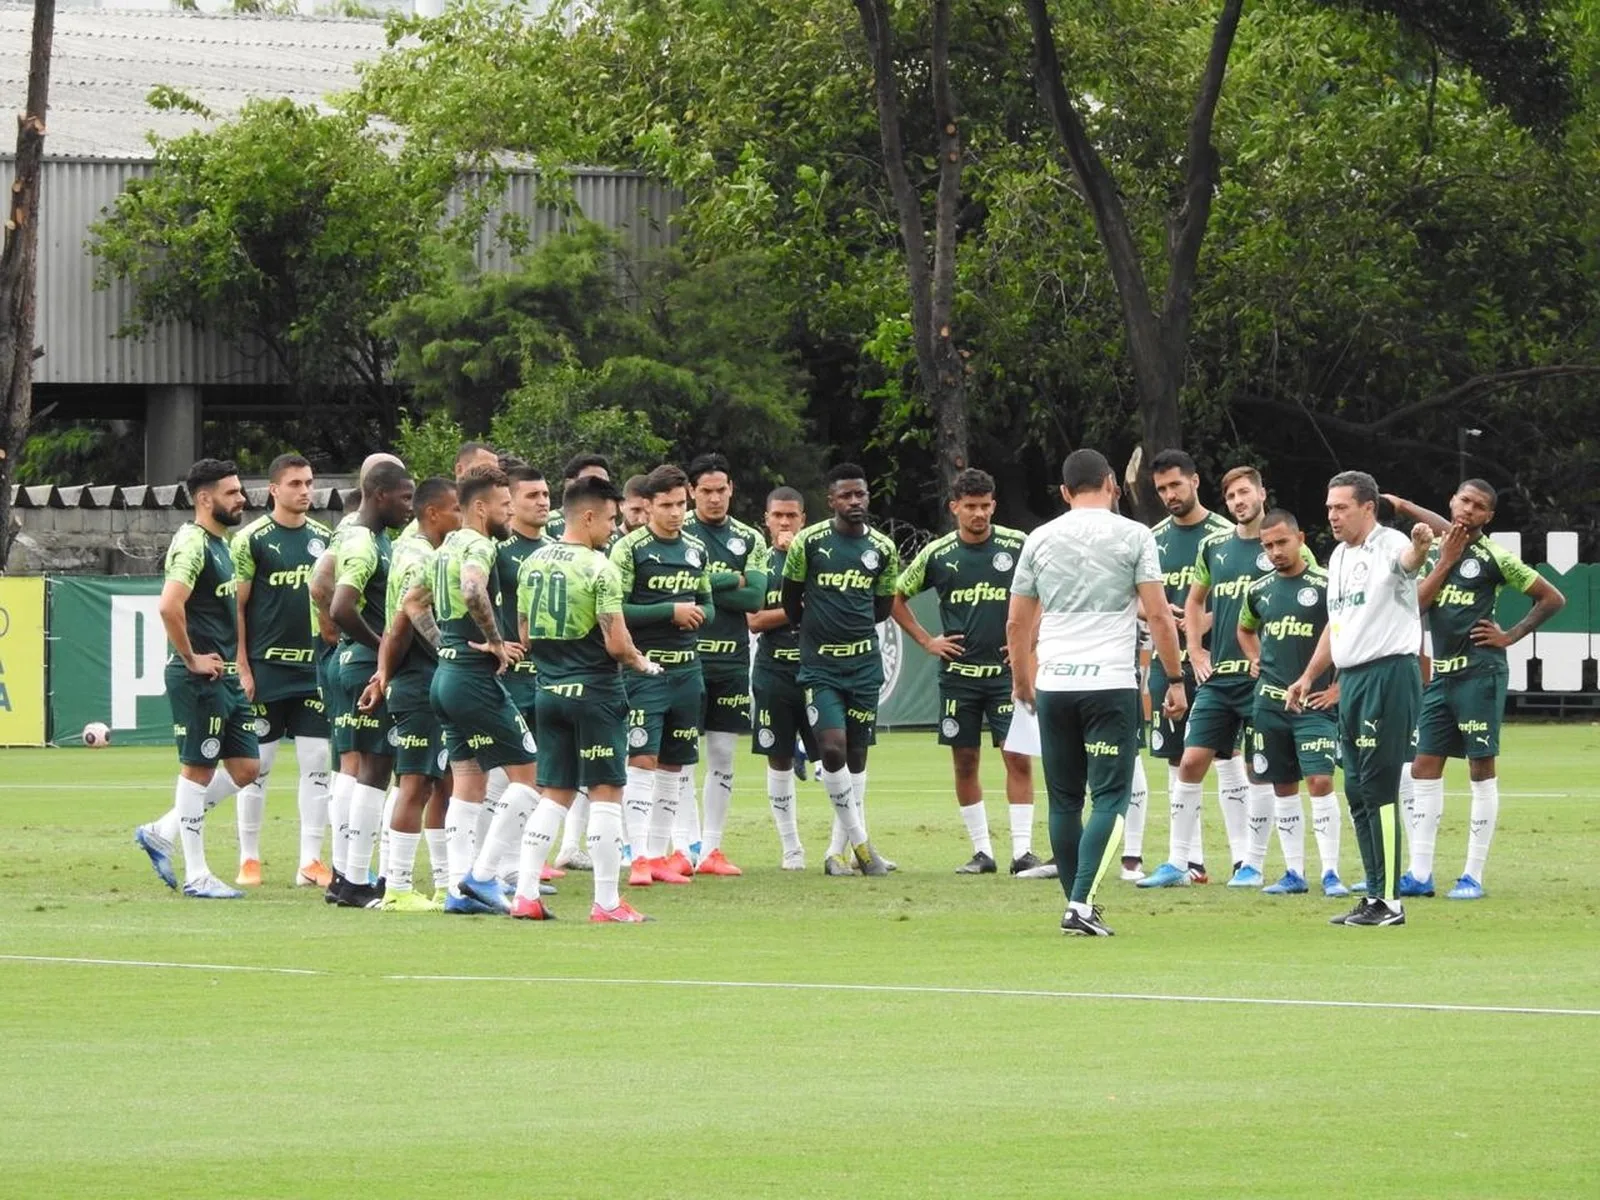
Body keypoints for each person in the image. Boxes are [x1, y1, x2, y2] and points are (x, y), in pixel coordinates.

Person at [1006, 449, 1185, 936]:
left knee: (1064, 800)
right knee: (1111, 797)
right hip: (1108, 683)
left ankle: (1076, 902)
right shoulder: (1134, 535)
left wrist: (1023, 679)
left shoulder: (1040, 538)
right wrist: (1174, 678)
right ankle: (1081, 904)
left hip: (1055, 684)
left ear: (1064, 492)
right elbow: (1160, 615)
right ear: (1112, 483)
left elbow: (1018, 621)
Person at [1391, 481, 1565, 900]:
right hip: (1440, 677)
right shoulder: (1436, 549)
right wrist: (1409, 510)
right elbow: (1416, 605)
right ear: (1452, 501)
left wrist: (1512, 634)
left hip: (1479, 674)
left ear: (1488, 517)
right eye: (1463, 501)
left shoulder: (1495, 558)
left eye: (1479, 507)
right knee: (1423, 769)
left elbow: (1552, 597)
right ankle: (1420, 873)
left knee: (1479, 771)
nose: (1468, 510)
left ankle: (1472, 875)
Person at [1285, 470, 1433, 927]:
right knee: (1355, 787)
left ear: (1367, 508)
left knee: (1380, 787)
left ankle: (1391, 902)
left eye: (1341, 507)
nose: (1332, 515)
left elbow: (1409, 562)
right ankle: (1373, 894)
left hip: (1389, 675)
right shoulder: (1338, 556)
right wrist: (1309, 674)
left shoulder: (1388, 543)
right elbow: (1338, 622)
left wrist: (1422, 547)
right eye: (1329, 507)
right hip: (1351, 679)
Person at [1140, 465, 1292, 890]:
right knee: (1190, 761)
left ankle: (1250, 863)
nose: (1239, 502)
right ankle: (1177, 862)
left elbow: (1304, 602)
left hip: (1264, 677)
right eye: (1232, 497)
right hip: (1218, 677)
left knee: (1258, 768)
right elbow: (1192, 601)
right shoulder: (1213, 546)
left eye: (1245, 493)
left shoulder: (1283, 544)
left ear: (1262, 493)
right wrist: (1196, 649)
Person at [519, 475, 663, 922]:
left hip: (548, 690)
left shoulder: (533, 562)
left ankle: (525, 895)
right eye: (610, 519)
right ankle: (605, 902)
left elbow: (523, 633)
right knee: (606, 793)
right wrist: (642, 663)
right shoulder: (601, 568)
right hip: (595, 692)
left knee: (554, 792)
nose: (614, 529)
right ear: (587, 516)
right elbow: (617, 644)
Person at [401, 466, 542, 916]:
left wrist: (447, 644)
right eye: (505, 505)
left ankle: (459, 891)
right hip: (474, 681)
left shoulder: (442, 549)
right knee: (529, 777)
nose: (509, 512)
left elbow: (412, 603)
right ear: (481, 508)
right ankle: (483, 874)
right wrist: (496, 641)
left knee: (467, 783)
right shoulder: (479, 545)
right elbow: (471, 588)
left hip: (446, 676)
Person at [893, 468, 1040, 875]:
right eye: (970, 506)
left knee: (1019, 759)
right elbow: (895, 596)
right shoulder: (937, 553)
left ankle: (1023, 852)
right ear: (954, 507)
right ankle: (982, 852)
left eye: (986, 506)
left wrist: (1028, 644)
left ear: (994, 504)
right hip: (959, 676)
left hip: (1008, 678)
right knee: (965, 761)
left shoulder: (1018, 545)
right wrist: (927, 641)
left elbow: (1043, 594)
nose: (979, 514)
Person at [133, 459, 261, 899]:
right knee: (198, 771)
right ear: (205, 499)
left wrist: (236, 665)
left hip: (224, 676)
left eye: (240, 490)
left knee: (248, 768)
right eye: (232, 492)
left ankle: (161, 830)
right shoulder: (192, 543)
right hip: (200, 678)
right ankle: (197, 874)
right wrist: (190, 659)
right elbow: (170, 606)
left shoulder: (223, 544)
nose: (242, 498)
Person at [781, 463, 898, 877]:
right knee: (831, 748)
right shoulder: (809, 543)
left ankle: (836, 853)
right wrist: (808, 633)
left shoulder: (883, 548)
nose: (855, 502)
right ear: (831, 501)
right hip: (821, 667)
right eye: (846, 496)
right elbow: (791, 599)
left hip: (864, 666)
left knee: (857, 755)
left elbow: (883, 607)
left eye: (860, 495)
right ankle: (864, 847)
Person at [230, 453, 334, 888]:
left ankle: (310, 860)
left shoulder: (325, 538)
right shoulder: (251, 539)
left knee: (317, 764)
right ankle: (249, 858)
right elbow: (236, 606)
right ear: (274, 489)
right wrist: (243, 666)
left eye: (309, 483)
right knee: (259, 766)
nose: (305, 491)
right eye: (295, 484)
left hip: (312, 670)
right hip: (266, 669)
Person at [610, 464, 715, 886]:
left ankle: (658, 854)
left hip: (688, 670)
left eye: (680, 505)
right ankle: (635, 856)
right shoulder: (630, 549)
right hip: (644, 668)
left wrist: (698, 615)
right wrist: (667, 611)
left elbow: (708, 604)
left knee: (675, 764)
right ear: (648, 505)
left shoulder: (695, 550)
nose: (675, 513)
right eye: (666, 505)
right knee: (642, 759)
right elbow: (614, 610)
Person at [360, 477, 461, 912]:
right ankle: (397, 885)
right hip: (418, 682)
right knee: (416, 784)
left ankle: (445, 883)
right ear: (433, 513)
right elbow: (403, 621)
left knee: (445, 783)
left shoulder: (416, 549)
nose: (461, 517)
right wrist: (444, 649)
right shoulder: (420, 556)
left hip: (426, 680)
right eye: (456, 509)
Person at [1236, 510, 1349, 897]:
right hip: (1268, 704)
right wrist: (1254, 657)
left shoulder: (1326, 585)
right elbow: (1245, 628)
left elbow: (1347, 633)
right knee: (1282, 785)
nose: (1275, 552)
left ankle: (1332, 871)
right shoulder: (1259, 589)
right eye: (1267, 546)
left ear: (1300, 537)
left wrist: (1339, 687)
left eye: (1281, 542)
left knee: (1319, 781)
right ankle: (1293, 872)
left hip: (1315, 704)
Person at [325, 460, 415, 908]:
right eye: (404, 498)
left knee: (366, 768)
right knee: (374, 770)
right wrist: (383, 648)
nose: (409, 507)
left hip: (355, 661)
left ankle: (344, 875)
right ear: (379, 495)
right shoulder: (364, 543)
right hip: (364, 664)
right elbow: (340, 606)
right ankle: (355, 879)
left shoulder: (369, 537)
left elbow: (322, 583)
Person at [1142, 449, 1234, 882]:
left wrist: (1202, 618)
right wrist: (1159, 614)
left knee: (1229, 755)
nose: (1169, 495)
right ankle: (1190, 861)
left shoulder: (1225, 533)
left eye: (1176, 485)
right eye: (1161, 488)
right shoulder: (1151, 538)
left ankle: (1243, 860)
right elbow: (1134, 598)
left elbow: (1250, 595)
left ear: (1195, 481)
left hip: (1220, 661)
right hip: (1169, 660)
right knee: (1175, 759)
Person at [683, 452, 771, 876]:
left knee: (721, 754)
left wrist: (704, 589)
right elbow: (677, 591)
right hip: (683, 659)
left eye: (721, 490)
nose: (715, 499)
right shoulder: (677, 531)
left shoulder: (750, 538)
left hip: (732, 660)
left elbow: (755, 599)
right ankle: (683, 846)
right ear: (691, 492)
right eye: (706, 491)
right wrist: (727, 580)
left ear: (731, 490)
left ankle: (712, 849)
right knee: (679, 755)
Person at [481, 465, 560, 882]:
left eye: (546, 494)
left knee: (537, 776)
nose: (543, 501)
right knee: (502, 777)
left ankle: (513, 865)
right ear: (510, 502)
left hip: (546, 676)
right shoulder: (497, 552)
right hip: (507, 676)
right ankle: (489, 866)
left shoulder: (555, 551)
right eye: (532, 495)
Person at [749, 486, 816, 869]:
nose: (785, 522)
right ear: (767, 519)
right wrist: (799, 607)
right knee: (778, 757)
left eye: (792, 516)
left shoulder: (817, 558)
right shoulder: (760, 562)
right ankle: (791, 847)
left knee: (838, 756)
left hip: (817, 669)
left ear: (803, 519)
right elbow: (755, 620)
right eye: (778, 516)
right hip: (774, 670)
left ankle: (849, 843)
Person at [544, 453, 613, 539]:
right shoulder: (546, 523)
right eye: (592, 482)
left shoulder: (610, 530)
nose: (600, 489)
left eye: (605, 484)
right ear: (569, 484)